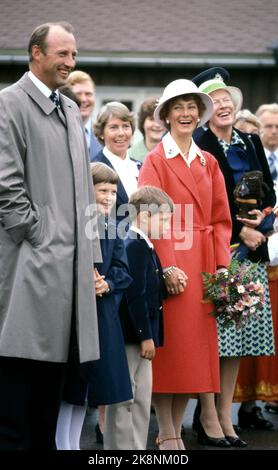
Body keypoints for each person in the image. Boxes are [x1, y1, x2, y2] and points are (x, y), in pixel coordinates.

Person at [0, 21, 102, 450]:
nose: (70, 63)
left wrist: (91, 252)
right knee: (16, 401)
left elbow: (84, 191)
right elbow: (7, 186)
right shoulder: (8, 104)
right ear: (36, 53)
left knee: (50, 399)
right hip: (32, 267)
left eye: (74, 55)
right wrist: (41, 236)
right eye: (62, 54)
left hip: (70, 274)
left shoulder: (67, 108)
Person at [138, 79, 232, 449]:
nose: (186, 113)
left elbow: (223, 219)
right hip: (172, 264)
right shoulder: (155, 160)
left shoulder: (208, 161)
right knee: (171, 351)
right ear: (165, 114)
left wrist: (223, 266)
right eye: (178, 107)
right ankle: (165, 430)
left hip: (205, 264)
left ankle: (174, 430)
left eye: (192, 107)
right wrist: (166, 267)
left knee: (192, 355)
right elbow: (148, 216)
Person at [192, 67, 276, 436]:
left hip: (254, 253)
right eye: (215, 101)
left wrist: (261, 225)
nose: (223, 106)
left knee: (238, 338)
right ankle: (208, 416)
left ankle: (226, 415)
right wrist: (242, 230)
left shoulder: (250, 140)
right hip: (220, 253)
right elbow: (204, 201)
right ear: (205, 109)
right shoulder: (198, 143)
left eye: (227, 99)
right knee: (215, 340)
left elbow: (271, 194)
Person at [55, 162, 133, 450]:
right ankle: (63, 444)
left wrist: (107, 284)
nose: (109, 197)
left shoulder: (112, 228)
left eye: (113, 192)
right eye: (102, 190)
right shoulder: (72, 224)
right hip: (73, 319)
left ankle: (72, 445)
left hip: (102, 317)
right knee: (70, 389)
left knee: (87, 390)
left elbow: (123, 272)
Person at [104, 186, 171, 450]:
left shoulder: (144, 245)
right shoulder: (135, 245)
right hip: (132, 336)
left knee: (141, 398)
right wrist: (146, 336)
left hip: (141, 336)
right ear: (143, 216)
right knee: (125, 399)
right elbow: (136, 296)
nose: (167, 225)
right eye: (163, 218)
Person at [234, 103, 278, 415]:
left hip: (269, 251)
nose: (272, 132)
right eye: (267, 127)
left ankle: (257, 405)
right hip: (241, 251)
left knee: (261, 334)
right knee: (238, 328)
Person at [92, 101, 141, 230]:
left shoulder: (140, 167)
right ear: (101, 133)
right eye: (113, 127)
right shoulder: (94, 168)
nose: (121, 133)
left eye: (125, 126)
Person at [67, 70, 102, 160]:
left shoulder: (103, 134)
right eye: (78, 94)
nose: (83, 99)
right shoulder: (58, 131)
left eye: (88, 94)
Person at [129, 97, 165, 162]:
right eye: (151, 119)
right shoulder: (130, 155)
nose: (157, 125)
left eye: (161, 119)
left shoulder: (178, 153)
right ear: (142, 123)